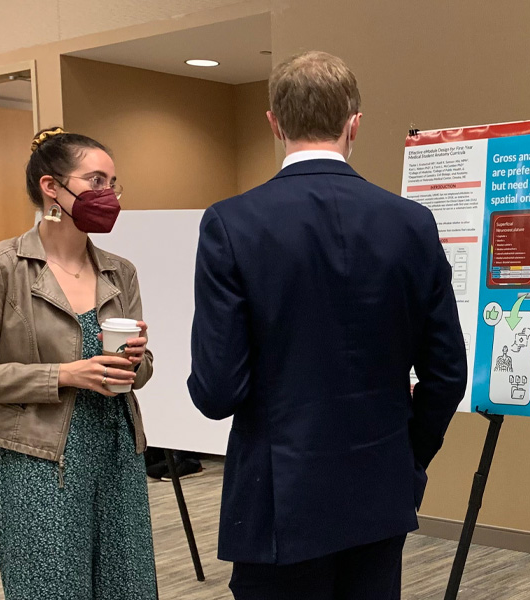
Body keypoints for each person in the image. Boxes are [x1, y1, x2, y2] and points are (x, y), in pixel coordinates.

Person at [188, 51, 468, 600]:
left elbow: (218, 391)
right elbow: (447, 372)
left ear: (274, 122)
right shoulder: (412, 223)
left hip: (277, 496)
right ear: (354, 123)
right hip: (382, 484)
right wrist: (410, 455)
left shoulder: (231, 223)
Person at [0, 128, 157, 600]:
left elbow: (139, 372)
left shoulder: (120, 271)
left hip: (117, 452)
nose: (109, 195)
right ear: (51, 187)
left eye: (114, 183)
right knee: (51, 587)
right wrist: (65, 375)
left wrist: (137, 363)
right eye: (96, 180)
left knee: (128, 586)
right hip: (41, 461)